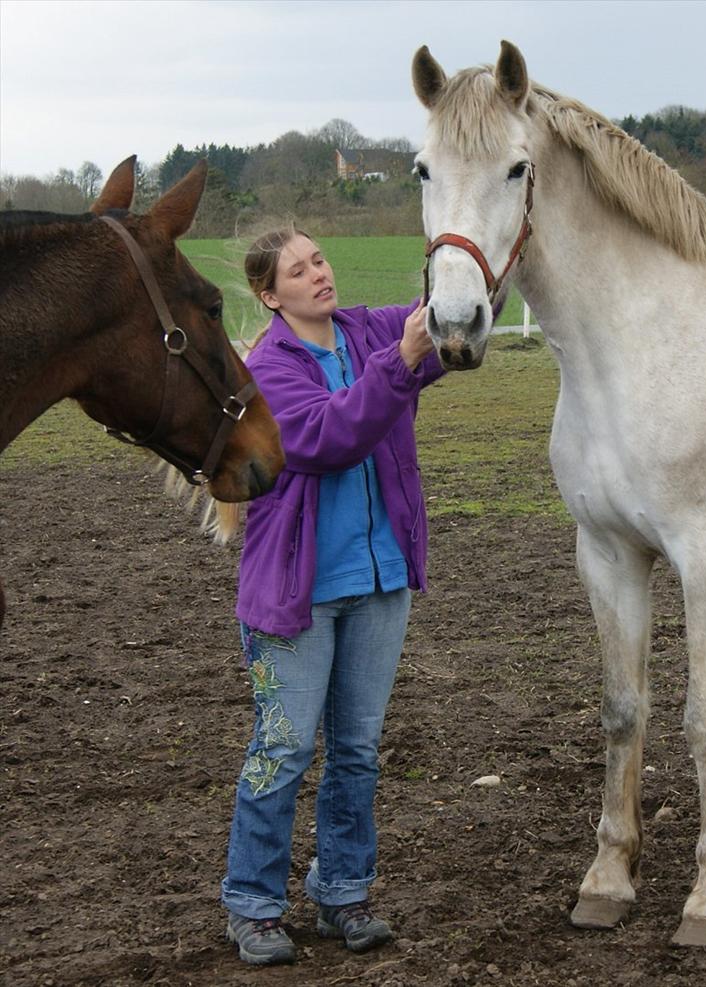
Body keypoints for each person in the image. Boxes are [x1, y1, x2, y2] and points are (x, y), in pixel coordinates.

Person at [220, 228, 444, 966]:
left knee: (356, 752)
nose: (319, 273)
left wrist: (471, 268)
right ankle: (252, 904)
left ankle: (343, 891)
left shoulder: (363, 329)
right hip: (298, 595)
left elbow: (441, 329)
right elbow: (328, 435)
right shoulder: (269, 369)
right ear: (268, 293)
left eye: (319, 258)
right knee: (282, 747)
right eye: (298, 269)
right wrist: (404, 358)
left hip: (379, 584)